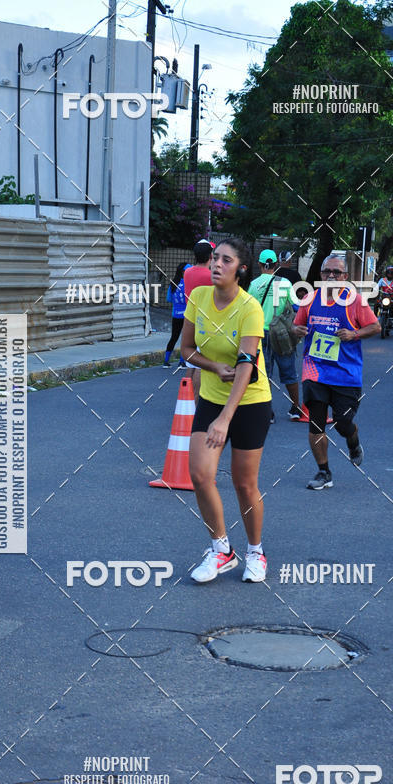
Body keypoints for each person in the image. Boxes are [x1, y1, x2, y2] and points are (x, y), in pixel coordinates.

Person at [181, 237, 272, 583]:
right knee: (200, 475)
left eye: (226, 260)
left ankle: (255, 552)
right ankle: (222, 550)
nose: (216, 264)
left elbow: (247, 364)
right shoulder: (199, 297)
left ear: (241, 269)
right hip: (213, 396)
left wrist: (225, 418)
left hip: (250, 402)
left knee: (244, 483)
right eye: (214, 258)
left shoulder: (250, 307)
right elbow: (186, 350)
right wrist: (213, 367)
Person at [291, 253, 380, 490]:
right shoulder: (309, 299)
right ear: (320, 275)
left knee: (342, 423)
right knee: (316, 424)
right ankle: (323, 471)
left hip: (346, 375)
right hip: (315, 372)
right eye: (326, 272)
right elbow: (296, 325)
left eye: (336, 273)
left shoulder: (356, 301)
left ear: (345, 277)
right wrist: (297, 330)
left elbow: (375, 326)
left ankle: (353, 440)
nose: (331, 276)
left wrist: (355, 334)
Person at [249, 249, 300, 421]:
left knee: (265, 373)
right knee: (289, 372)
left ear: (260, 264)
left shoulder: (254, 284)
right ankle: (295, 408)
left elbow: (248, 310)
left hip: (260, 334)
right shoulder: (284, 283)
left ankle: (268, 412)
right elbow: (296, 306)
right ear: (276, 264)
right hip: (282, 334)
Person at [183, 240, 214, 400]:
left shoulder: (187, 272)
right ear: (211, 255)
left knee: (190, 362)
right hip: (206, 321)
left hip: (190, 319)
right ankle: (196, 400)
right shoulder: (210, 276)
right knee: (201, 362)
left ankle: (185, 398)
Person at [163, 261, 190, 368]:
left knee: (174, 337)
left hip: (175, 314)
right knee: (185, 338)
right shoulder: (188, 284)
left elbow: (169, 298)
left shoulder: (173, 283)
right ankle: (182, 362)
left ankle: (166, 361)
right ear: (184, 272)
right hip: (186, 314)